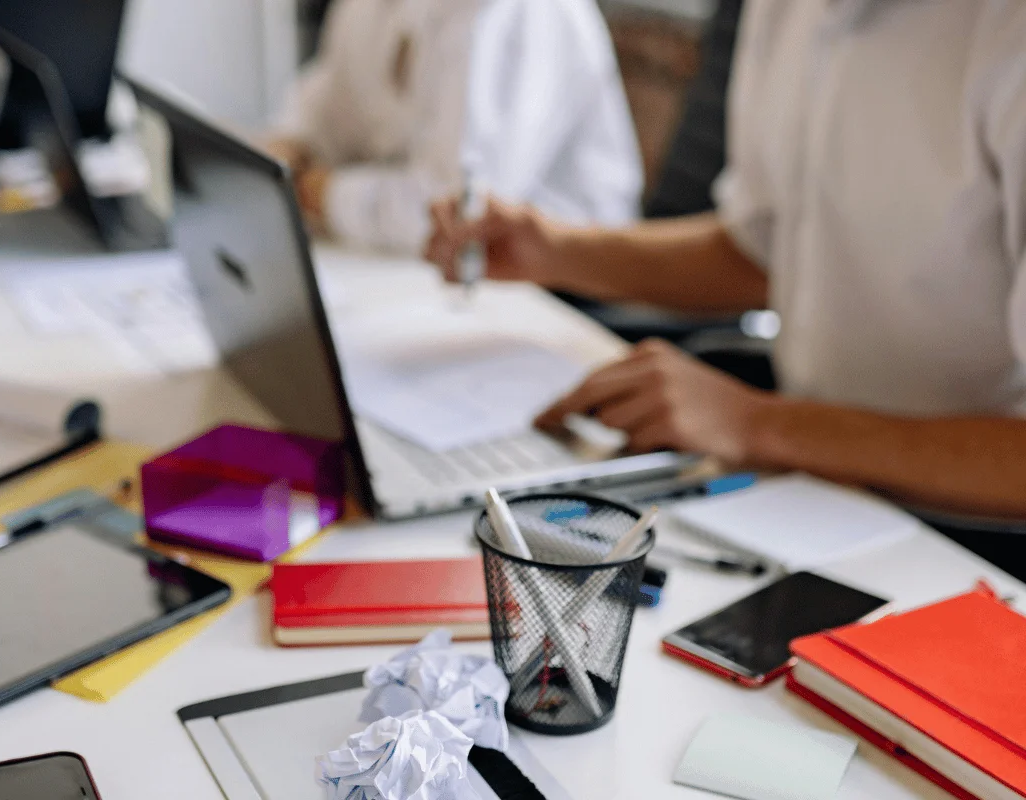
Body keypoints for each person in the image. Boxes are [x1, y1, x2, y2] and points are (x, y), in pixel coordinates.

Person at [425, 1, 1026, 551]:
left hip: (974, 538)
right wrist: (555, 251)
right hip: (812, 483)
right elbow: (764, 248)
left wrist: (755, 423)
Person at [266, 0, 644, 255]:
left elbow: (457, 210)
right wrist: (288, 152)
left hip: (557, 290)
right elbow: (322, 118)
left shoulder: (518, 11)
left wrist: (311, 189)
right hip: (424, 264)